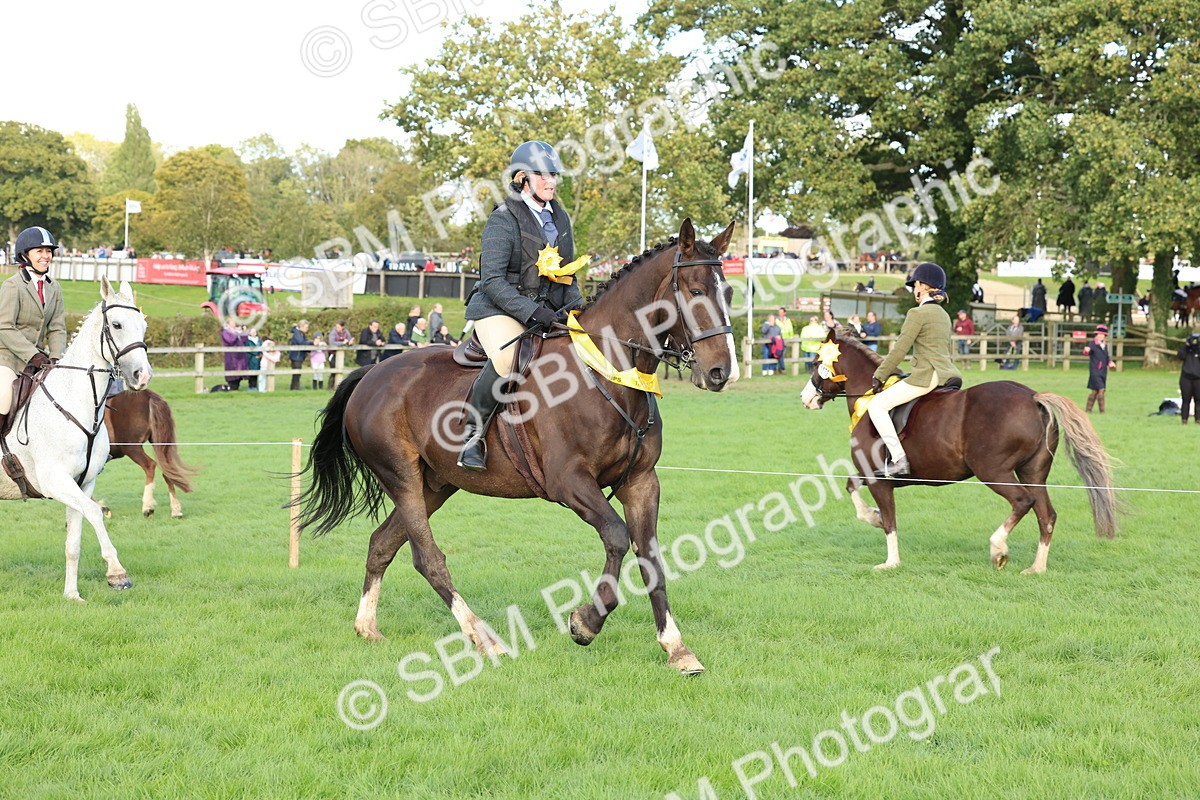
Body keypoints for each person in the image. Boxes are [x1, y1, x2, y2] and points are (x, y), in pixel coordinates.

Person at [459, 140, 582, 470]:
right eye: (543, 176)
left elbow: (566, 273)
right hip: (497, 308)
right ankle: (472, 436)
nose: (551, 182)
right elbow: (492, 281)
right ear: (522, 179)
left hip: (545, 308)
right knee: (510, 356)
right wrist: (532, 312)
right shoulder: (503, 219)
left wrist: (582, 310)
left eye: (554, 175)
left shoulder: (559, 219)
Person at [868, 262, 962, 478]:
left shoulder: (917, 314)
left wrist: (879, 375)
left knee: (877, 406)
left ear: (922, 286)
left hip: (927, 375)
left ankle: (899, 460)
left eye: (915, 286)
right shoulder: (943, 314)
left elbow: (900, 349)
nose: (913, 290)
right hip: (948, 374)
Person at [0, 226, 67, 427]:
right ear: (25, 255)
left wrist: (55, 357)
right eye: (39, 251)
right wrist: (32, 355)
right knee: (4, 398)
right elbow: (4, 327)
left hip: (40, 359)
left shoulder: (53, 287)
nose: (46, 256)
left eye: (49, 251)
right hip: (8, 358)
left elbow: (57, 327)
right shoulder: (13, 286)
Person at [1082, 324, 1115, 413]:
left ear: (1105, 336)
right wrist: (1086, 350)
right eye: (1099, 334)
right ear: (1096, 334)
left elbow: (1106, 357)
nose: (1100, 336)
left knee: (1095, 391)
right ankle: (1102, 411)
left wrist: (1110, 363)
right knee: (1101, 389)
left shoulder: (1104, 345)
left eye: (1102, 334)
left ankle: (1088, 409)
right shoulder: (1093, 344)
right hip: (1095, 370)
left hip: (1103, 371)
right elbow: (1086, 352)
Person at [220, 318, 249, 391]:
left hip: (240, 355)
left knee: (240, 373)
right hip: (232, 356)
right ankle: (232, 388)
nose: (234, 323)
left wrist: (243, 332)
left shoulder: (237, 331)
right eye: (232, 322)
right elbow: (230, 340)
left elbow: (244, 340)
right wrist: (234, 333)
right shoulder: (226, 332)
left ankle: (236, 388)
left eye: (234, 322)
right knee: (232, 372)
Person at [1178, 333, 1200, 425]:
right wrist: (1186, 345)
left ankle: (1198, 419)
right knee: (1185, 399)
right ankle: (1184, 419)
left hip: (1198, 378)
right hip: (1186, 377)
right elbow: (1180, 356)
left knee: (1198, 400)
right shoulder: (1186, 350)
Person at [288, 319, 312, 391]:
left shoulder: (300, 333)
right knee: (296, 373)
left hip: (299, 356)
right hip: (296, 356)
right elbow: (301, 342)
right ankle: (295, 388)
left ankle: (295, 387)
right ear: (301, 326)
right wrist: (311, 342)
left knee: (298, 373)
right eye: (306, 327)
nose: (307, 329)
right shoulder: (297, 333)